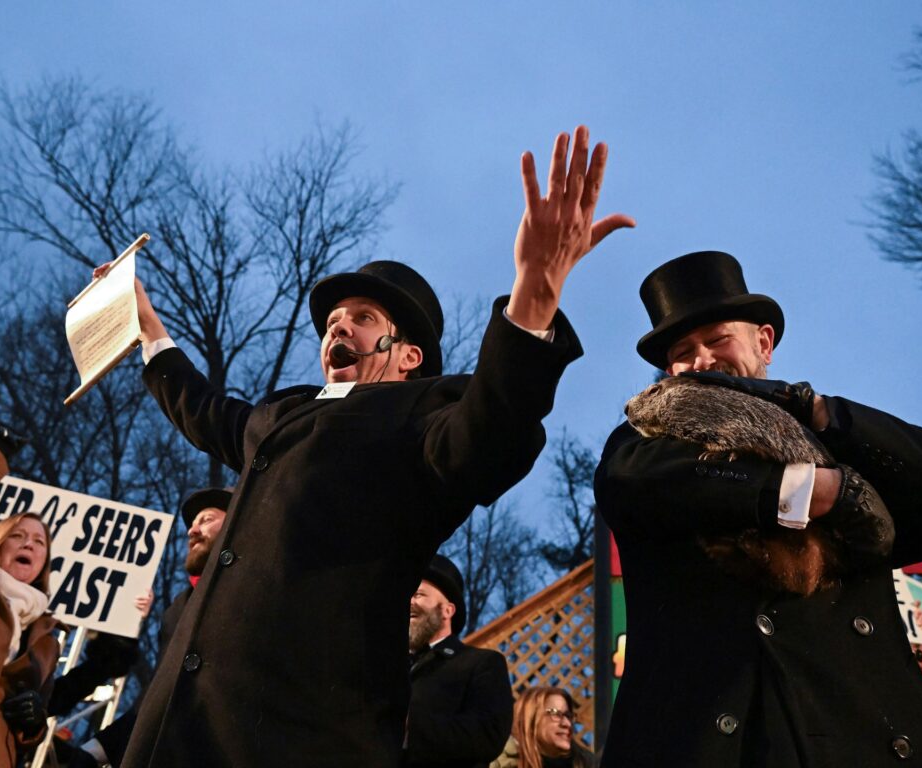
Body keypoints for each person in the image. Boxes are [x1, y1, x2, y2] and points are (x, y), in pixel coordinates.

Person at [106, 126, 633, 767]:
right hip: (184, 724)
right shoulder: (279, 417)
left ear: (407, 355)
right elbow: (201, 408)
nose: (338, 328)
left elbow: (491, 428)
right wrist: (146, 329)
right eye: (332, 322)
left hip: (303, 731)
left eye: (361, 318)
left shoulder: (421, 415)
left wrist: (535, 297)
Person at [594, 250, 922, 766]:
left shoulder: (830, 438)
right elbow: (633, 483)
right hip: (720, 736)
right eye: (682, 353)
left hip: (858, 728)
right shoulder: (645, 443)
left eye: (717, 340)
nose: (702, 361)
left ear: (764, 342)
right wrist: (805, 490)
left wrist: (820, 411)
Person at [68, 487, 232, 768]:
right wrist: (97, 750)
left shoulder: (268, 588)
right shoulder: (177, 611)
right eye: (191, 525)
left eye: (206, 519)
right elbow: (161, 696)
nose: (192, 531)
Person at [0, 427, 62, 767]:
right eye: (18, 536)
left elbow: (30, 735)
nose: (29, 544)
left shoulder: (47, 642)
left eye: (39, 543)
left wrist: (33, 722)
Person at [405, 554, 513, 768]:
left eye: (418, 595)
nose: (409, 602)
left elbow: (488, 734)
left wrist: (409, 728)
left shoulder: (480, 664)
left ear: (447, 610)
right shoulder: (392, 668)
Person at [490, 687, 595, 768]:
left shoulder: (585, 762)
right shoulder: (497, 762)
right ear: (531, 719)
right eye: (555, 714)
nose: (567, 723)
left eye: (568, 715)